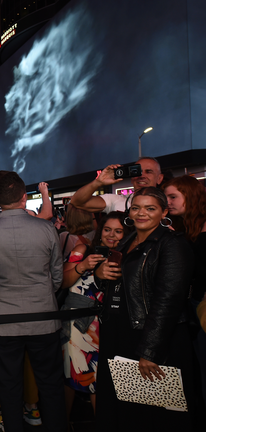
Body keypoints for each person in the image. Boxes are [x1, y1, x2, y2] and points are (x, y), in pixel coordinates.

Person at [94, 187, 196, 431]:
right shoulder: (128, 240)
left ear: (163, 212)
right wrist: (99, 274)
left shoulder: (172, 244)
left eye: (150, 208)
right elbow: (116, 283)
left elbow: (168, 302)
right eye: (137, 207)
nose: (142, 213)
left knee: (155, 411)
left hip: (150, 336)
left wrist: (150, 350)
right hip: (121, 332)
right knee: (126, 406)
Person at [0, 171, 66, 432]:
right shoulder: (46, 229)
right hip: (43, 317)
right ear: (24, 198)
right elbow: (56, 275)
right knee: (50, 384)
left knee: (9, 386)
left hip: (1, 320)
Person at [58, 211, 131, 424]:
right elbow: (63, 282)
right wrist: (83, 266)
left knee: (99, 380)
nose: (112, 235)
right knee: (72, 375)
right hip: (78, 326)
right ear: (100, 231)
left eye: (119, 231)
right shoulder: (83, 250)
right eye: (107, 230)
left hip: (107, 325)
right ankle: (64, 423)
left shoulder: (126, 255)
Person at [162, 175, 206, 414]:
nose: (168, 202)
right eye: (166, 197)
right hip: (195, 307)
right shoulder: (186, 226)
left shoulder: (206, 229)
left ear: (191, 196)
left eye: (173, 197)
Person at [69, 157, 164, 213]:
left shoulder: (168, 204)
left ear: (159, 178)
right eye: (136, 172)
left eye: (149, 172)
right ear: (131, 178)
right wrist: (98, 182)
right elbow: (76, 202)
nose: (141, 176)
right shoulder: (117, 200)